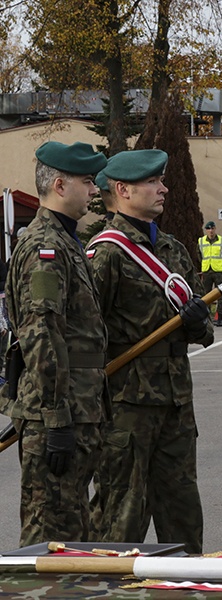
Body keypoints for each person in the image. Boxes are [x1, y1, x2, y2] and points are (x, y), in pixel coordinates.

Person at [88, 149, 213, 554]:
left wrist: (198, 323)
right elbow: (89, 335)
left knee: (184, 517)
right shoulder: (105, 253)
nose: (164, 188)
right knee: (122, 518)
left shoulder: (174, 249)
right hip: (128, 406)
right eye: (152, 182)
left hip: (176, 402)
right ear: (122, 190)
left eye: (160, 180)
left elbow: (204, 329)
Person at [0, 141, 109, 546]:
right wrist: (57, 417)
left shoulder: (66, 241)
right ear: (60, 185)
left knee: (73, 530)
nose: (95, 190)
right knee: (50, 537)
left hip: (78, 409)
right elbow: (40, 334)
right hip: (58, 415)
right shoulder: (44, 248)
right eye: (87, 181)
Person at [198, 221, 222, 326]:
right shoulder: (201, 241)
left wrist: (221, 265)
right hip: (206, 270)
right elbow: (199, 255)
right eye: (208, 229)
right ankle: (207, 317)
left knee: (220, 294)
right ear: (206, 230)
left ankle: (220, 317)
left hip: (218, 271)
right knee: (206, 295)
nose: (211, 231)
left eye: (212, 229)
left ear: (215, 229)